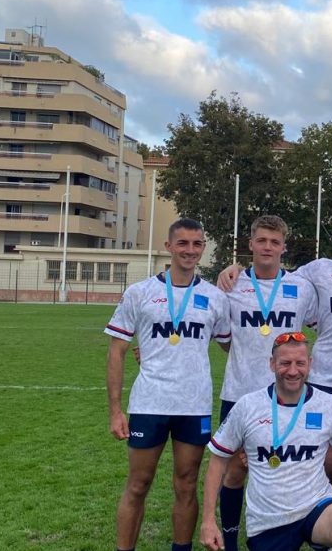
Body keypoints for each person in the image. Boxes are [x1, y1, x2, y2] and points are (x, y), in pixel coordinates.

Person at [218, 206, 332, 487]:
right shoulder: (317, 270)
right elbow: (271, 271)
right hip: (324, 380)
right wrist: (237, 268)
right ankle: (316, 515)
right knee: (323, 459)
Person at [105, 218, 232, 551]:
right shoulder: (140, 292)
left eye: (196, 244)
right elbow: (116, 351)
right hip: (149, 403)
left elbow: (230, 345)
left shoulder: (214, 297)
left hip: (194, 404)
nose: (190, 250)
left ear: (203, 248)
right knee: (138, 484)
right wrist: (116, 409)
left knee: (187, 484)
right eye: (183, 243)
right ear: (169, 246)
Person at [200, 332, 332, 551]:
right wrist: (208, 521)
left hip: (316, 505)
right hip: (269, 519)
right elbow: (218, 460)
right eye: (285, 363)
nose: (292, 371)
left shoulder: (329, 406)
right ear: (272, 364)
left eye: (300, 363)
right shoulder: (248, 406)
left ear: (310, 364)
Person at [217, 215, 320, 551]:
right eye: (261, 240)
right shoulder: (231, 285)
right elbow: (219, 336)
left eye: (275, 242)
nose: (267, 247)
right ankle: (230, 541)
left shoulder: (302, 287)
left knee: (284, 468)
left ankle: (287, 533)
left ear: (283, 247)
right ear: (250, 244)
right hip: (239, 393)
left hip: (287, 396)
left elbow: (323, 323)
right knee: (234, 472)